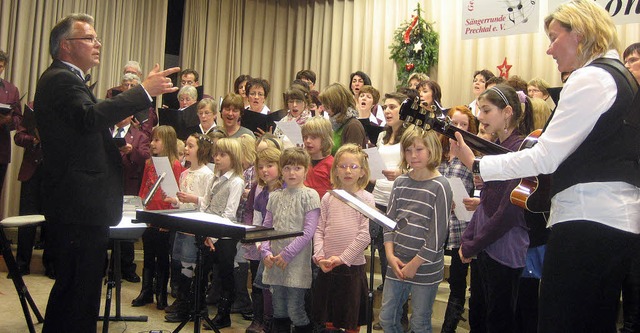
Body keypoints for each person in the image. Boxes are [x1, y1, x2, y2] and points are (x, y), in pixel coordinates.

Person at [453, 2, 640, 331]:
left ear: (579, 35)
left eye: (554, 37)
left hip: (587, 221)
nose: (549, 48)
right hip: (616, 221)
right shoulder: (622, 79)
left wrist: (479, 164)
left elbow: (546, 155)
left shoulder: (591, 77)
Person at [33, 13, 179, 332]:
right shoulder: (60, 78)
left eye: (98, 38)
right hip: (78, 203)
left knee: (77, 290)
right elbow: (89, 118)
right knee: (77, 290)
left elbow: (83, 128)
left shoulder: (69, 78)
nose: (97, 44)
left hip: (81, 202)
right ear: (66, 46)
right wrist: (142, 92)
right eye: (90, 38)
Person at [378, 129, 452, 333]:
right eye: (408, 150)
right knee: (387, 318)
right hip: (397, 261)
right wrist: (390, 255)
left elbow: (437, 237)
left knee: (419, 322)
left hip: (424, 267)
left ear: (432, 150)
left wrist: (415, 264)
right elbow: (389, 222)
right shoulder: (401, 182)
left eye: (419, 149)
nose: (413, 155)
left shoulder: (440, 185)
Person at [313, 144, 373, 333]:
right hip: (328, 266)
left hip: (351, 267)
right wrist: (320, 255)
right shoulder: (329, 198)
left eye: (353, 167)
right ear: (335, 170)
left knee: (349, 318)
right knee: (329, 317)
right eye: (342, 166)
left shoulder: (366, 199)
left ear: (363, 172)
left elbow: (364, 235)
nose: (347, 171)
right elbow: (319, 229)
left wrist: (342, 258)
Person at [261, 147, 321, 333]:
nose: (291, 173)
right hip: (274, 261)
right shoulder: (275, 196)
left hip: (296, 260)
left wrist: (287, 254)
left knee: (295, 309)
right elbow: (266, 227)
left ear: (306, 170)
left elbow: (309, 231)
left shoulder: (310, 195)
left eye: (297, 168)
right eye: (287, 168)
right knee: (278, 309)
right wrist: (265, 251)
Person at [163, 133, 215, 322]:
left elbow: (208, 202)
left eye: (190, 146)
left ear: (201, 150)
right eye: (186, 145)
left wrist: (193, 199)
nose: (186, 149)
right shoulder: (185, 173)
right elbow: (182, 200)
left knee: (191, 263)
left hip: (195, 227)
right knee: (180, 262)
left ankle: (191, 304)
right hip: (182, 225)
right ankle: (183, 300)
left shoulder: (207, 175)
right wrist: (175, 201)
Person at [133, 126, 184, 310]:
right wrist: (141, 208)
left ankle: (161, 293)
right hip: (149, 214)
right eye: (152, 140)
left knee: (162, 256)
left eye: (157, 140)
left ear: (167, 142)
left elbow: (177, 192)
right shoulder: (149, 164)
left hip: (165, 216)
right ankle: (146, 291)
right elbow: (143, 188)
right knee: (148, 254)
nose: (152, 144)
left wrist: (170, 220)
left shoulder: (175, 165)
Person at [438, 105, 477, 333]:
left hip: (462, 225)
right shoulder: (438, 152)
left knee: (457, 281)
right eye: (455, 123)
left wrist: (467, 200)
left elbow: (479, 191)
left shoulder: (472, 157)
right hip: (438, 224)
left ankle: (449, 327)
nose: (459, 128)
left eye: (464, 125)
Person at [200, 138, 246, 329]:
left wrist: (214, 236)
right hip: (208, 233)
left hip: (225, 236)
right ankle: (198, 309)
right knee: (203, 270)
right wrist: (203, 230)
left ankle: (224, 314)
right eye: (215, 154)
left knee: (225, 273)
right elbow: (206, 203)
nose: (216, 158)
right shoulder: (214, 177)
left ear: (233, 158)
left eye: (222, 155)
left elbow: (229, 212)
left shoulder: (236, 181)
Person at [243, 147, 283, 333]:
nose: (265, 170)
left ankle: (275, 323)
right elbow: (258, 224)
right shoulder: (261, 195)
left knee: (276, 290)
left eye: (270, 165)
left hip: (282, 249)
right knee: (261, 285)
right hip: (265, 249)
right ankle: (264, 322)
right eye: (260, 167)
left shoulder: (285, 192)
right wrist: (260, 246)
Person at [112, 114, 151, 283]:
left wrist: (131, 151)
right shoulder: (106, 131)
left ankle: (127, 267)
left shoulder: (140, 135)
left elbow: (145, 157)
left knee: (126, 225)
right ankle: (107, 266)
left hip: (129, 184)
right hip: (107, 183)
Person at [319, 83, 367, 155]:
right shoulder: (335, 124)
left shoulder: (353, 126)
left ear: (336, 103)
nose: (323, 108)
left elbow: (351, 158)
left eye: (326, 105)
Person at [0, 49, 23, 192]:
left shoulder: (11, 89)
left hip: (1, 149)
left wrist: (8, 120)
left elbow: (18, 118)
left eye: (1, 66)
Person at [302, 116, 334, 200]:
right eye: (305, 137)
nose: (308, 141)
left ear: (325, 139)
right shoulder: (302, 162)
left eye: (313, 137)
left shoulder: (332, 165)